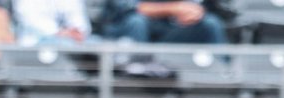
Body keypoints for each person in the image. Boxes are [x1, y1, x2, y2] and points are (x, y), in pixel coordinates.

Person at [98, 0, 227, 45]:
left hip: (168, 32)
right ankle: (135, 80)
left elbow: (194, 7)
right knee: (136, 21)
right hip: (124, 33)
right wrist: (173, 8)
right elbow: (128, 7)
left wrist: (193, 12)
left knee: (210, 23)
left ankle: (224, 78)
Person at [15, 0, 93, 46]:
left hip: (70, 45)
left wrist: (77, 31)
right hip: (34, 45)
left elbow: (79, 20)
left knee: (96, 44)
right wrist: (58, 32)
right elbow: (28, 18)